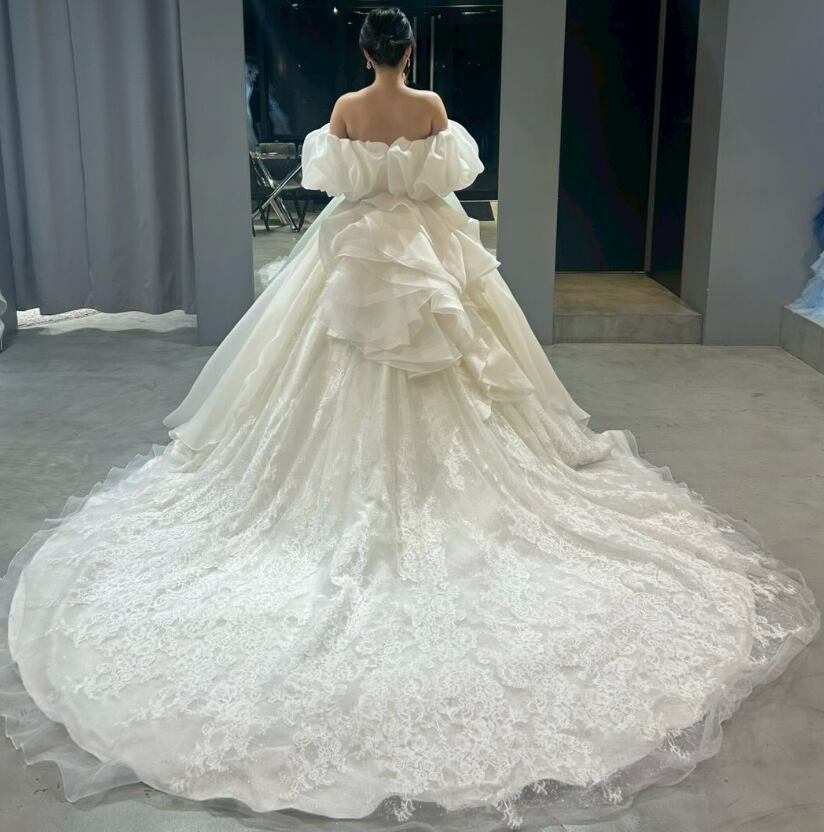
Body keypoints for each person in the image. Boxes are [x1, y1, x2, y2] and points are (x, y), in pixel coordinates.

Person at [0, 6, 819, 830]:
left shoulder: (346, 109)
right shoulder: (429, 107)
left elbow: (332, 181)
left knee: (321, 366)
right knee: (465, 366)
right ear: (410, 50)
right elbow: (446, 179)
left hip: (358, 252)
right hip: (427, 251)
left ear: (365, 52)